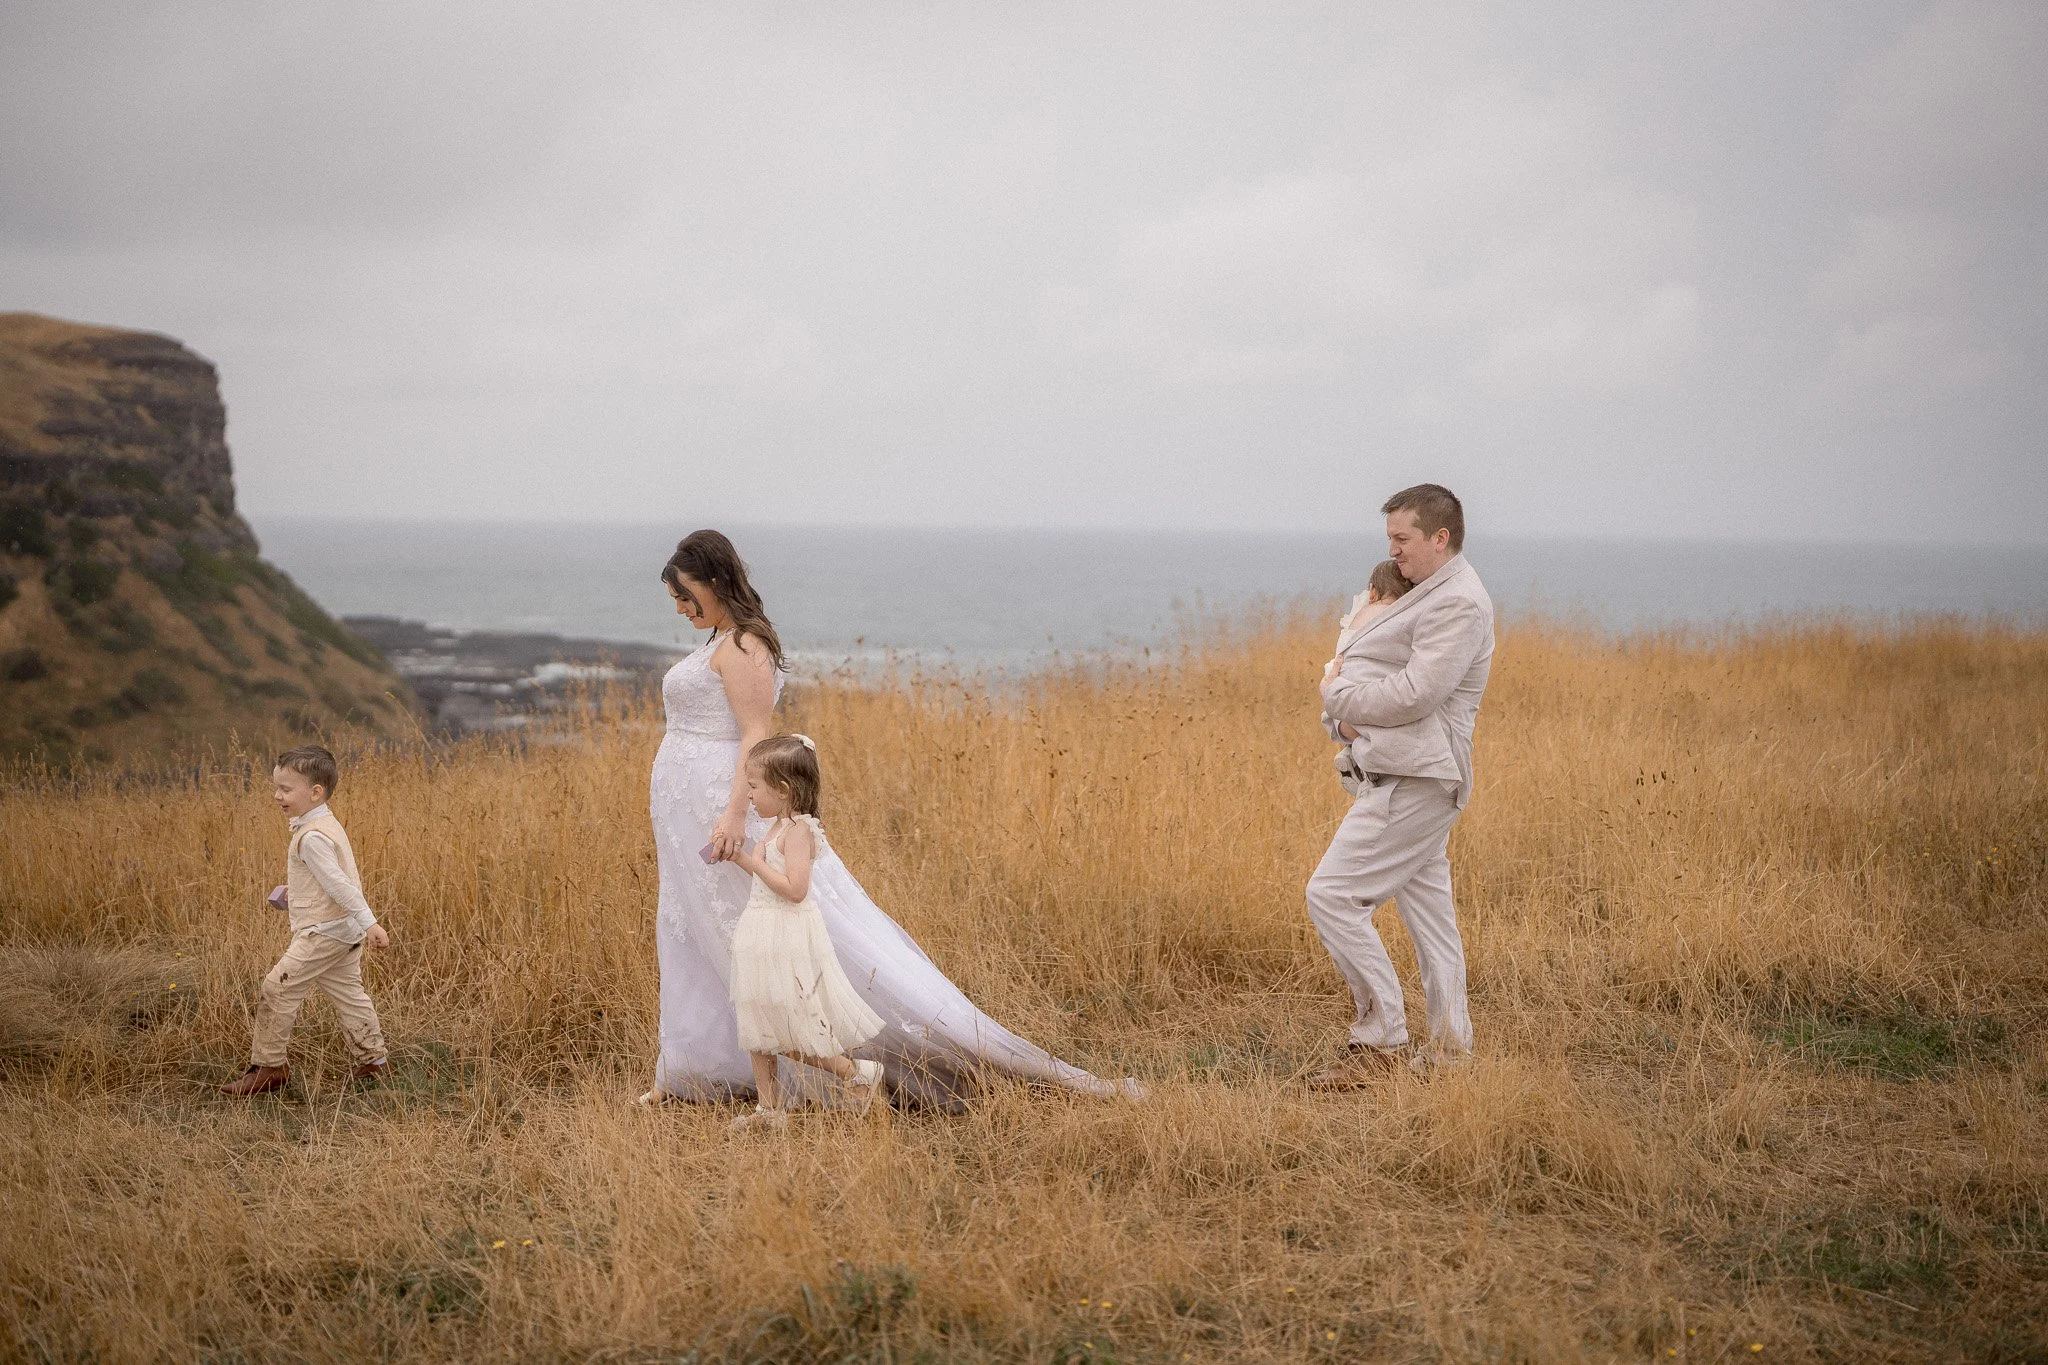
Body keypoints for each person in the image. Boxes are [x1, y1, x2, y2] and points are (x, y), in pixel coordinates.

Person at [641, 529, 1140, 1108]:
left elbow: (754, 735)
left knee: (748, 938)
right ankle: (689, 1069)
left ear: (715, 581)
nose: (679, 607)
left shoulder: (745, 646)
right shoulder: (719, 642)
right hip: (686, 816)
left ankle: (849, 1067)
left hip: (720, 811)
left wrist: (732, 815)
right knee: (693, 938)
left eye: (684, 593)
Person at [1307, 484, 1494, 1086]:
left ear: (1440, 538)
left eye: (1403, 538)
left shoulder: (1459, 602)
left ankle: (1380, 1040)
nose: (1392, 550)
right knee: (1433, 922)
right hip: (1401, 770)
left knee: (1332, 896)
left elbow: (1418, 693)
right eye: (1390, 536)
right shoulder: (1428, 591)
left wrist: (1337, 694)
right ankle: (1450, 1053)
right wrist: (1344, 718)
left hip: (1418, 779)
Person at [722, 734, 886, 1131]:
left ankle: (856, 1071)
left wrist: (754, 863)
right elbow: (766, 877)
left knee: (787, 1026)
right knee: (757, 1017)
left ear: (783, 790)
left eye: (754, 787)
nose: (748, 795)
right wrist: (738, 858)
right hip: (760, 927)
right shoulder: (778, 824)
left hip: (785, 932)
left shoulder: (798, 831)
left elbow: (796, 890)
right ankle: (768, 1108)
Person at [220, 744, 392, 1096]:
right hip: (342, 931)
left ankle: (269, 1067)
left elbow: (342, 886)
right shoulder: (324, 823)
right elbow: (328, 880)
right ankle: (374, 1062)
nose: (277, 796)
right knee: (349, 995)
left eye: (285, 789)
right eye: (276, 787)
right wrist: (294, 894)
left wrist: (370, 923)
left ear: (316, 792)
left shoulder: (311, 837)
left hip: (324, 933)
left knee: (277, 987)